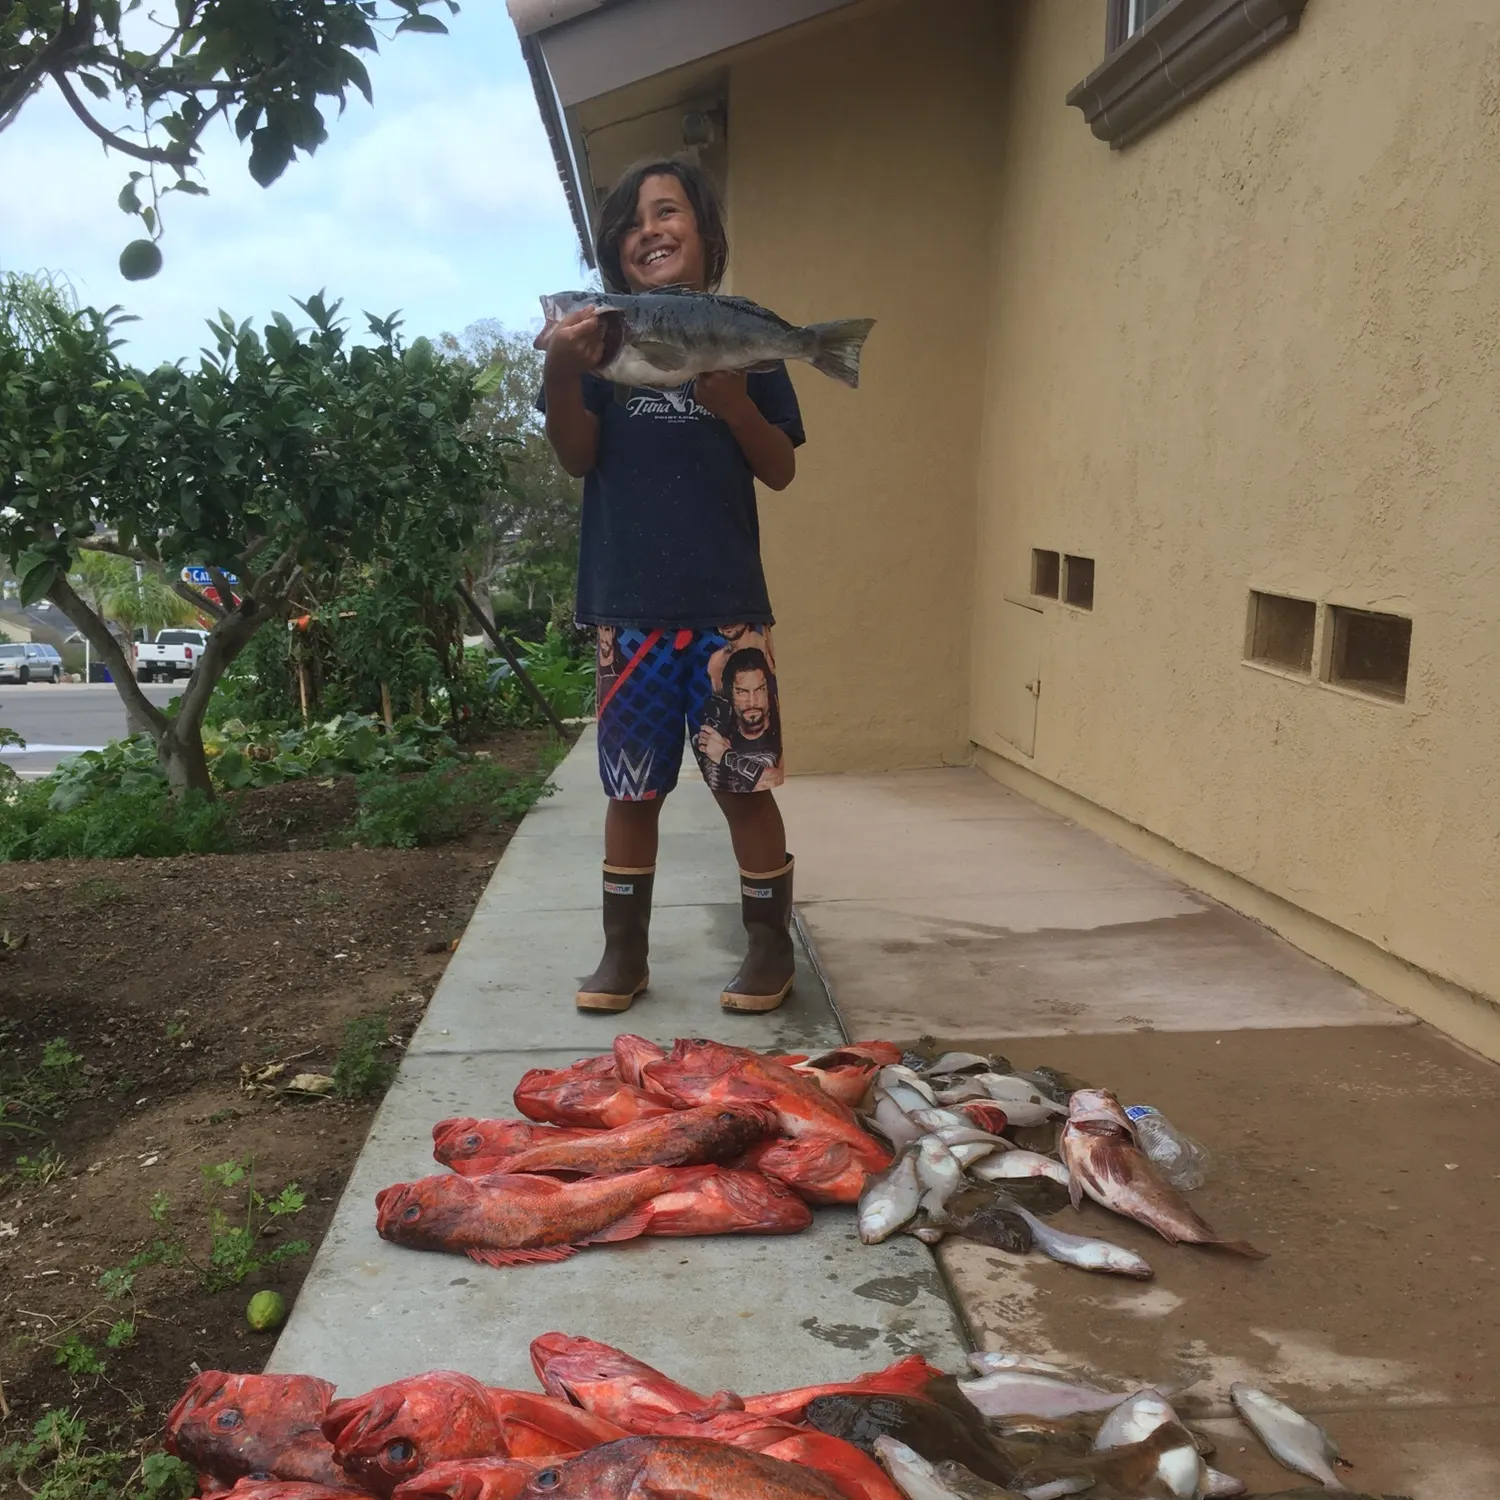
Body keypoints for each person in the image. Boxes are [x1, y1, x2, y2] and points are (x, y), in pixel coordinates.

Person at [538, 156, 803, 1016]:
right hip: (630, 613)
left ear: (705, 233)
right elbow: (576, 455)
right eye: (629, 222)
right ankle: (624, 954)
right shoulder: (601, 343)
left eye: (667, 212)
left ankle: (769, 949)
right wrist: (560, 371)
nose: (648, 230)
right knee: (631, 789)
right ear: (613, 253)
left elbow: (779, 469)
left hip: (728, 612)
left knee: (742, 785)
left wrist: (736, 406)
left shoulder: (742, 335)